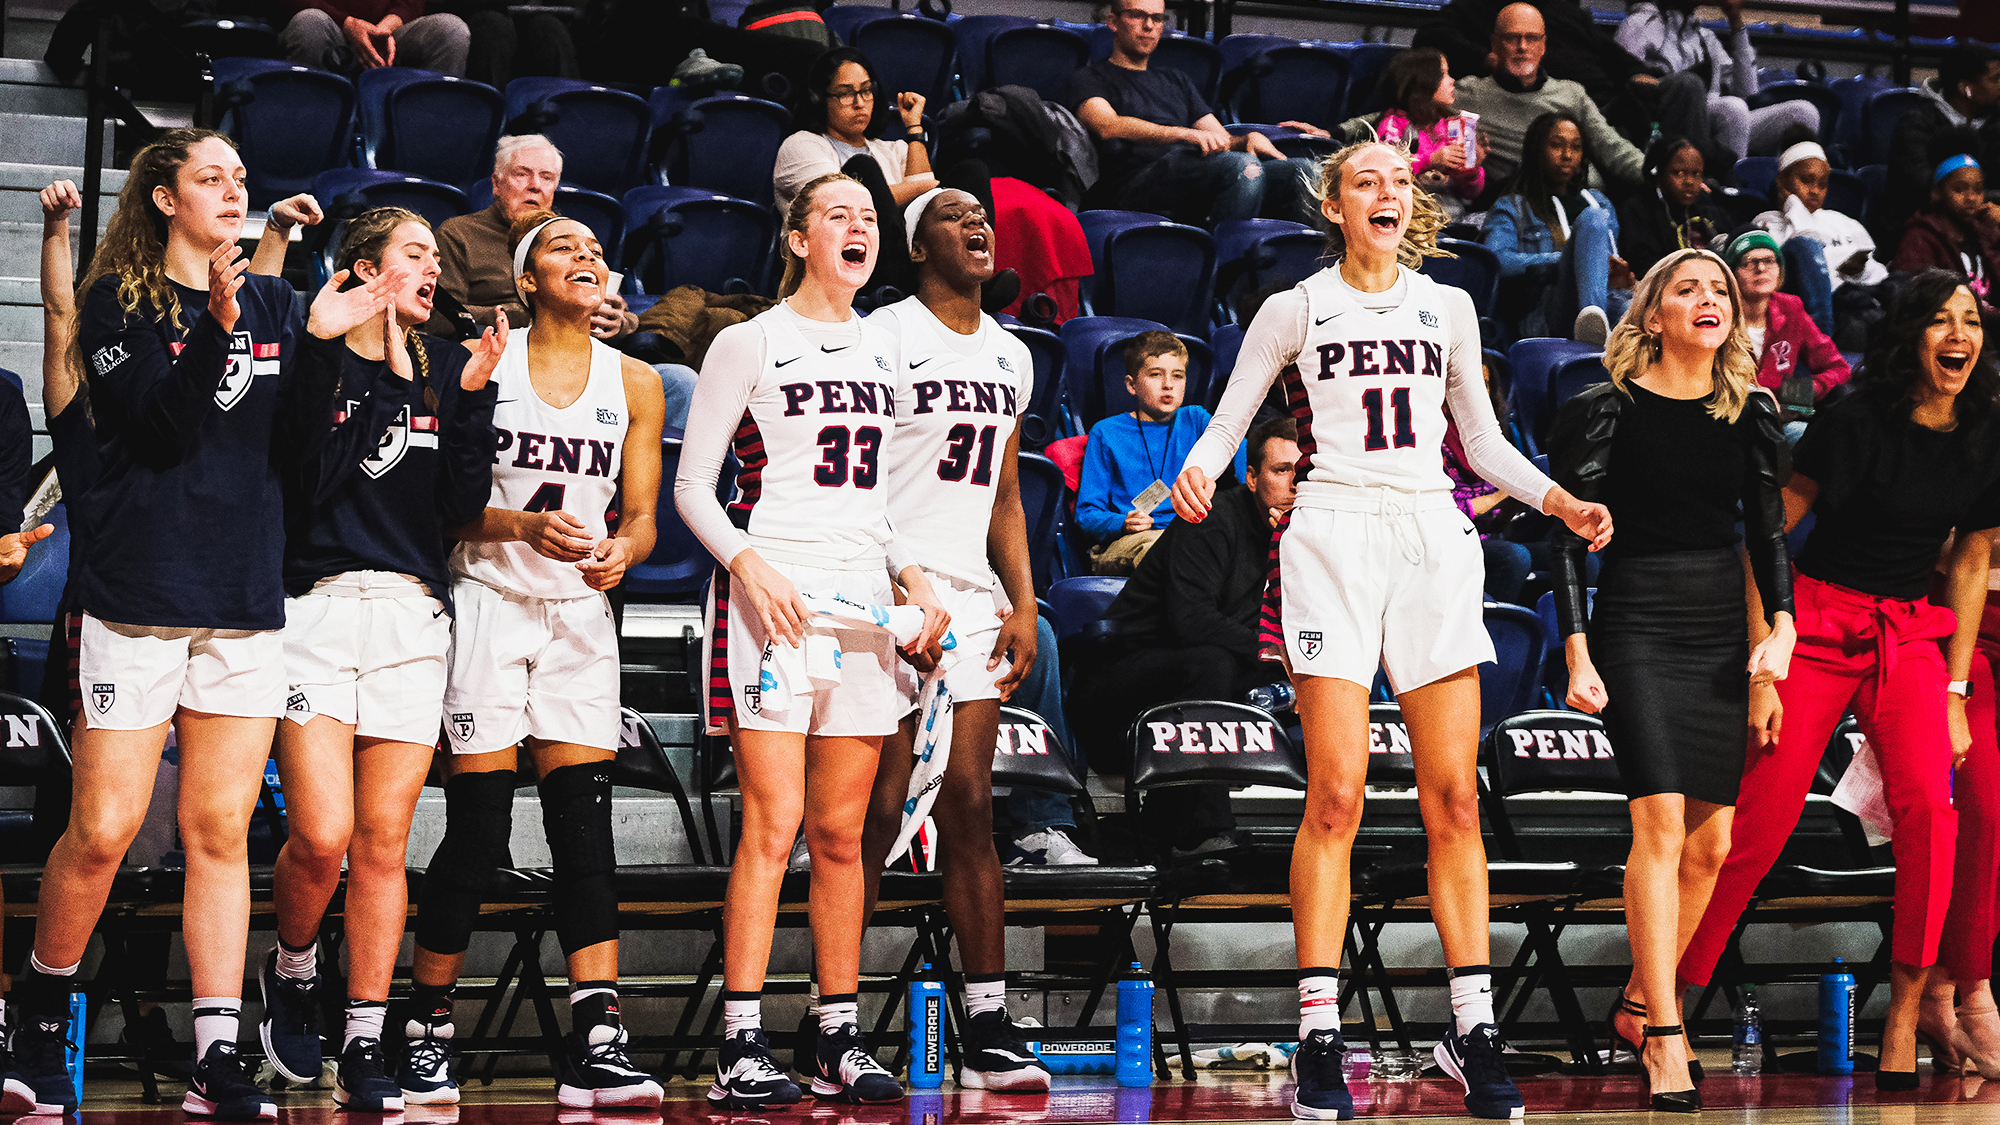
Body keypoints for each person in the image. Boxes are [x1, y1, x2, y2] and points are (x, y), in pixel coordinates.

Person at [1170, 140, 1613, 1121]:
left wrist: (1558, 500)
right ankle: (1318, 1030)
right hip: (1329, 535)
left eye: (1397, 181)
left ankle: (1471, 1029)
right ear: (1331, 204)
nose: (1384, 191)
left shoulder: (1445, 307)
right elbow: (1231, 411)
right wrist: (1199, 463)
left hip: (1429, 537)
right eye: (1364, 179)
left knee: (1453, 798)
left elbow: (1483, 442)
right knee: (1333, 795)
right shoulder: (1293, 308)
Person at [1, 128, 398, 1120]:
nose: (233, 190)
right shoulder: (118, 303)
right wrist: (220, 324)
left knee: (220, 831)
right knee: (101, 830)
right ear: (165, 199)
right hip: (139, 596)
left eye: (239, 178)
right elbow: (161, 427)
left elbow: (302, 457)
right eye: (210, 178)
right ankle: (38, 1015)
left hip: (241, 599)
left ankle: (217, 1050)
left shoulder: (272, 301)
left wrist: (325, 350)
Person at [1680, 270, 2000, 1090]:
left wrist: (1957, 691)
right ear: (1909, 337)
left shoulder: (1985, 429)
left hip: (1909, 632)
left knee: (1934, 805)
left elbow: (1968, 558)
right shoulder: (1854, 420)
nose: (1958, 334)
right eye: (1939, 320)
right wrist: (1765, 663)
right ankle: (1667, 993)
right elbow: (1769, 537)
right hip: (1817, 620)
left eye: (1970, 320)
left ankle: (1906, 1011)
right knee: (1763, 816)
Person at [676, 172, 948, 1110]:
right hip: (774, 599)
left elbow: (877, 506)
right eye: (837, 214)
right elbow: (692, 488)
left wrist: (914, 576)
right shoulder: (747, 342)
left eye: (869, 217)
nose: (857, 227)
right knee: (774, 824)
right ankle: (740, 1039)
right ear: (797, 239)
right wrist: (750, 568)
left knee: (843, 832)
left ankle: (836, 1032)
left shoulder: (885, 350)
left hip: (864, 604)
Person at [395, 210, 667, 1109]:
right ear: (524, 281)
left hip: (579, 616)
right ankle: (425, 1022)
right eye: (563, 247)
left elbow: (641, 518)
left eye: (594, 246)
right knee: (477, 831)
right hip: (487, 600)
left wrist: (623, 552)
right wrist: (521, 525)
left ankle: (598, 1032)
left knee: (583, 832)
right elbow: (442, 507)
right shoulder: (482, 366)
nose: (586, 254)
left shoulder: (635, 380)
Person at [256, 209, 503, 1112]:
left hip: (410, 615)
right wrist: (336, 358)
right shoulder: (313, 352)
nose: (433, 268)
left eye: (438, 257)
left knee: (384, 842)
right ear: (364, 269)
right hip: (315, 607)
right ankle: (291, 966)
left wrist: (471, 399)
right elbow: (305, 477)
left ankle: (365, 1029)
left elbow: (459, 505)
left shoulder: (438, 372)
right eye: (414, 254)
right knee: (321, 836)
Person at [1550, 248, 1794, 1112]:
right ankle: (1665, 1031)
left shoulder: (1753, 412)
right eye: (1687, 289)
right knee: (1657, 822)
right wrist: (1577, 650)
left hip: (1719, 627)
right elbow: (1569, 541)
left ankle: (1631, 1001)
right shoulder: (1603, 411)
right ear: (1652, 315)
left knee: (1713, 843)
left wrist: (1778, 641)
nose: (1708, 299)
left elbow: (1767, 538)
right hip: (1637, 620)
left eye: (1719, 290)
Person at [853, 187, 1053, 1092]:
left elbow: (1005, 494)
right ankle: (837, 1020)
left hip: (971, 596)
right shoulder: (881, 334)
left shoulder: (1012, 355)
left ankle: (988, 1018)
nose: (978, 224)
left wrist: (1025, 598)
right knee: (879, 805)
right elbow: (856, 478)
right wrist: (903, 582)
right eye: (953, 216)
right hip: (881, 586)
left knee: (970, 800)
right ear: (916, 246)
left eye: (983, 215)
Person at [1074, 417, 1299, 857]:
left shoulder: (1297, 538)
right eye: (1281, 470)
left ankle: (1172, 823)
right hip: (1117, 691)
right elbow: (1193, 623)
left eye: (1303, 472)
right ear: (1251, 477)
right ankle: (1202, 830)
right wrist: (1279, 656)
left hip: (1199, 690)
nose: (1294, 484)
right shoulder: (1210, 519)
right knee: (1212, 661)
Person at [426, 137, 696, 426]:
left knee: (680, 382)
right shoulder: (459, 234)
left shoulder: (573, 236)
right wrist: (529, 315)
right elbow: (439, 317)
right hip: (505, 360)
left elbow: (608, 307)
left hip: (584, 360)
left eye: (547, 177)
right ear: (496, 183)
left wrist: (620, 322)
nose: (535, 185)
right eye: (522, 174)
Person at [773, 48, 1021, 312]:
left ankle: (972, 284)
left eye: (866, 91)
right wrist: (924, 187)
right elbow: (840, 203)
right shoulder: (802, 145)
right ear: (818, 98)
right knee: (861, 172)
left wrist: (914, 129)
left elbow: (928, 203)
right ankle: (916, 289)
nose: (859, 102)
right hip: (848, 259)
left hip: (911, 260)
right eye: (846, 93)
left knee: (972, 171)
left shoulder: (892, 150)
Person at [1067, 0, 1319, 226]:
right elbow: (1107, 125)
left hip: (1190, 170)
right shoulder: (1089, 78)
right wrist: (1183, 134)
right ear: (1113, 22)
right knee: (1242, 167)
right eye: (1137, 15)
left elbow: (1219, 138)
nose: (1149, 26)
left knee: (1304, 172)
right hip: (1131, 181)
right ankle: (1227, 270)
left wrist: (1244, 140)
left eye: (1157, 18)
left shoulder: (1176, 80)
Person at [1076, 331, 1243, 575]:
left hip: (1191, 534)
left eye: (1178, 376)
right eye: (1155, 375)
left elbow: (1242, 457)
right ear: (1131, 385)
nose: (1168, 384)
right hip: (1131, 540)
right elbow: (1086, 514)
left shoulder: (1196, 420)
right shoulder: (1107, 432)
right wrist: (1122, 523)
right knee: (1171, 551)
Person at [1449, 4, 1646, 193]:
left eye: (1532, 38)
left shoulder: (1571, 94)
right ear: (1495, 44)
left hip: (1581, 199)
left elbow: (1612, 148)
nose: (1522, 47)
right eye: (1512, 38)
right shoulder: (1466, 95)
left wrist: (1658, 173)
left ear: (1543, 46)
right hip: (1514, 203)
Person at [1931, 539, 2000, 1076]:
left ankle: (1938, 993)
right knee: (1980, 810)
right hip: (1958, 615)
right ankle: (1971, 993)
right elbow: (1944, 534)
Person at [1482, 112, 1635, 343]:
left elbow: (1610, 259)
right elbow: (1496, 261)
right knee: (1593, 219)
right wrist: (1567, 259)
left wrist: (1621, 277)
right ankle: (1591, 319)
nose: (1567, 155)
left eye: (1576, 147)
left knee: (1640, 311)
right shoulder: (1513, 206)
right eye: (1556, 146)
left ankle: (1597, 323)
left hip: (1608, 299)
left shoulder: (1600, 202)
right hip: (1544, 312)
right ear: (1537, 150)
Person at [1616, 0, 1818, 164]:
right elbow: (1623, 88)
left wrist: (1736, 23)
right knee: (1733, 109)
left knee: (1804, 113)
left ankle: (1782, 191)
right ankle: (1729, 189)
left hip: (1718, 123)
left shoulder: (1705, 37)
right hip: (1669, 125)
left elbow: (1747, 91)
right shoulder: (1638, 25)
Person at [1722, 231, 1850, 443]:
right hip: (1732, 422)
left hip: (1780, 422)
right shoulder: (1718, 317)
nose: (1761, 268)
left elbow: (1838, 368)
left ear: (1780, 271)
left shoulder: (1790, 309)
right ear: (1731, 276)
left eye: (1769, 260)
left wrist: (1800, 394)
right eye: (1748, 262)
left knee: (1820, 441)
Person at [1334, 49, 1488, 222]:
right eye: (1444, 74)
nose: (1452, 81)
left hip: (1451, 213)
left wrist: (1472, 169)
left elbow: (1471, 193)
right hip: (1410, 212)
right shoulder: (1394, 125)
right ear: (1424, 82)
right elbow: (1387, 173)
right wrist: (1431, 160)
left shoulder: (1451, 126)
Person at [1753, 141, 1887, 335]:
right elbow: (1802, 253)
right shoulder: (1767, 223)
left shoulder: (1846, 223)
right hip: (1807, 316)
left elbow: (1880, 273)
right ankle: (1821, 340)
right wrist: (1794, 208)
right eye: (1806, 180)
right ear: (1782, 181)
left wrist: (1860, 271)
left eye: (1822, 184)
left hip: (1855, 302)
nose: (1815, 190)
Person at [1881, 45, 2000, 255]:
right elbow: (1921, 187)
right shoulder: (1917, 125)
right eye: (1995, 79)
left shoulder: (1995, 125)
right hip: (1924, 235)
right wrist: (1984, 204)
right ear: (1966, 88)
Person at [1893, 154, 2000, 323]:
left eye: (1978, 190)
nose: (1971, 198)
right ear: (1937, 193)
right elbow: (1920, 300)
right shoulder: (1919, 237)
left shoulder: (1986, 232)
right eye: (1959, 189)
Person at [1617, 135, 1729, 279]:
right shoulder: (1638, 210)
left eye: (1696, 174)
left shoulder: (1707, 205)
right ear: (1658, 172)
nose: (1689, 181)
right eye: (1679, 173)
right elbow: (1644, 266)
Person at [279, 1, 471, 76]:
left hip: (387, 33)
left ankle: (431, 139)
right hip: (331, 27)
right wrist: (348, 24)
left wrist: (384, 29)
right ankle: (304, 137)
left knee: (451, 30)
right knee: (309, 22)